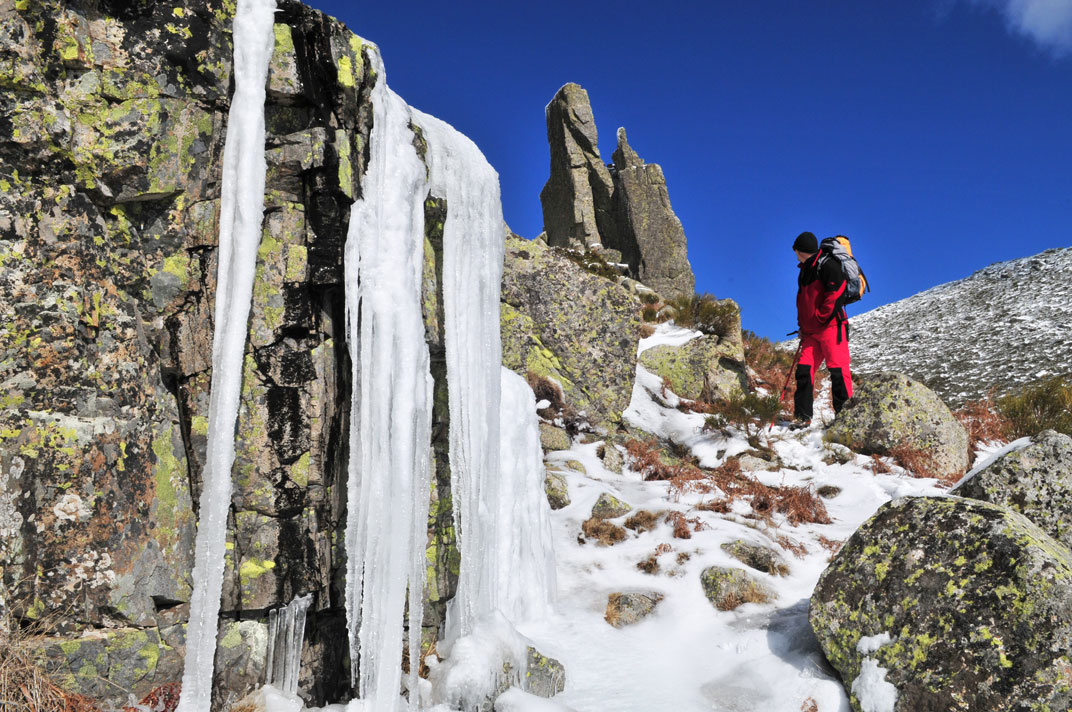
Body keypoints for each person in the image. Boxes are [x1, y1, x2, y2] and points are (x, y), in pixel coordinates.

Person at [791, 231, 852, 427]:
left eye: (795, 251)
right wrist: (803, 326)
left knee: (838, 372)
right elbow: (802, 301)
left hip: (832, 328)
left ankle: (845, 420)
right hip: (810, 333)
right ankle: (802, 417)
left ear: (799, 250)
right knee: (803, 371)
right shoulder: (804, 270)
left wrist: (819, 318)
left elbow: (836, 293)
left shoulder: (828, 265)